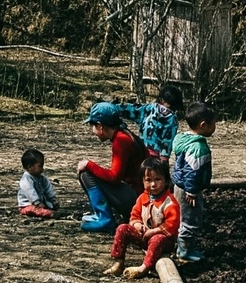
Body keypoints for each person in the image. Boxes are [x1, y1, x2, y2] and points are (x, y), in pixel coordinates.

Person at [102, 156, 180, 279]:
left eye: (158, 179)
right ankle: (119, 262)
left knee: (157, 239)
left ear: (166, 181)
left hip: (164, 241)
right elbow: (134, 215)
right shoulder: (142, 198)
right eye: (148, 180)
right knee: (122, 228)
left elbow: (172, 224)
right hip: (145, 237)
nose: (153, 184)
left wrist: (154, 231)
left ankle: (144, 267)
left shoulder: (170, 202)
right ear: (142, 182)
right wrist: (137, 224)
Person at [76, 101, 145, 233]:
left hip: (135, 198)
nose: (93, 131)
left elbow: (114, 177)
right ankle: (103, 216)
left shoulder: (121, 140)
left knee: (85, 174)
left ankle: (104, 219)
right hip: (138, 195)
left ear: (100, 126)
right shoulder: (126, 133)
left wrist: (89, 165)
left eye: (93, 126)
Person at [170, 101, 216, 263]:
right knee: (191, 218)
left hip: (179, 185)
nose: (215, 126)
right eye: (213, 123)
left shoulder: (183, 140)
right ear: (203, 125)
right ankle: (185, 250)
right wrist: (192, 191)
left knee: (182, 217)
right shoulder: (198, 147)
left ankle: (180, 246)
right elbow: (193, 170)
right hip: (188, 189)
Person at [119, 84, 183, 161]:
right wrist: (164, 164)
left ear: (161, 100)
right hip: (154, 158)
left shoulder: (149, 108)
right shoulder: (172, 118)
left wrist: (113, 108)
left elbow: (130, 109)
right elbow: (166, 142)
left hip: (139, 151)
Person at [18, 147, 57, 218]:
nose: (42, 169)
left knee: (50, 206)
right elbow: (30, 191)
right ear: (30, 167)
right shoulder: (26, 179)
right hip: (27, 205)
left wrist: (52, 198)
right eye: (40, 166)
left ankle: (48, 211)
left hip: (41, 202)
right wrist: (37, 202)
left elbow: (48, 187)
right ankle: (49, 214)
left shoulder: (41, 177)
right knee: (34, 210)